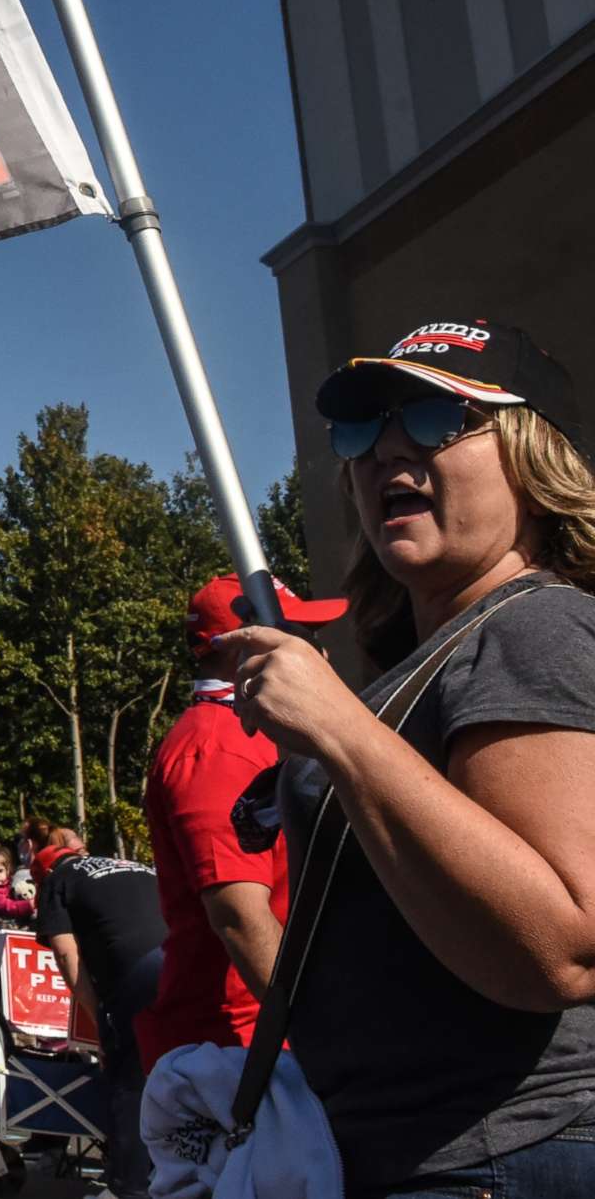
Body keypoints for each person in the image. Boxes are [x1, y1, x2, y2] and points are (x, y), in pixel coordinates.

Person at [227, 319, 595, 1195]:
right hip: (401, 1154)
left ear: (531, 456)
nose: (387, 448)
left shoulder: (533, 627)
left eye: (434, 420)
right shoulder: (423, 660)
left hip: (496, 1157)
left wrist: (343, 736)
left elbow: (561, 950)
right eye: (362, 428)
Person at [137, 575, 337, 1069]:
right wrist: (321, 1031)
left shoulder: (246, 733)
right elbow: (239, 916)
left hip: (257, 1039)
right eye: (299, 633)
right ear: (245, 643)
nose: (320, 651)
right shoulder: (219, 746)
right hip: (242, 1050)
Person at [32, 833, 164, 1199]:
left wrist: (98, 1019)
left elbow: (66, 955)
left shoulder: (58, 879)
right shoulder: (135, 866)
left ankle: (129, 1189)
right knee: (178, 1073)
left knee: (130, 1083)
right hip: (185, 962)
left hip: (136, 971)